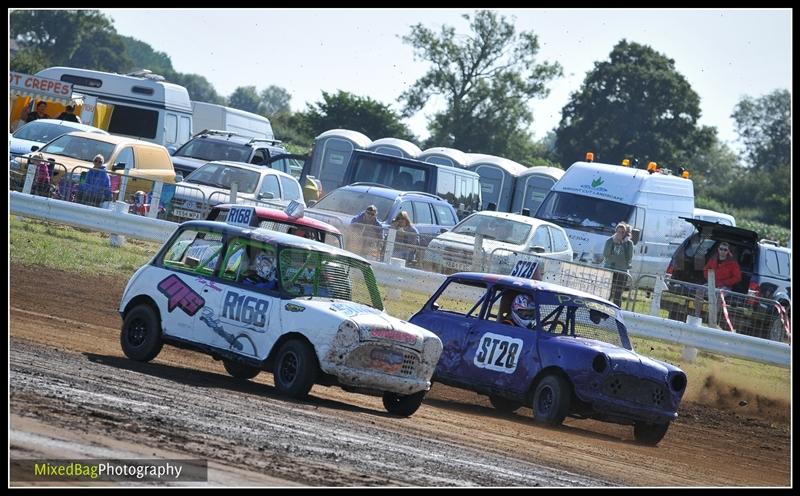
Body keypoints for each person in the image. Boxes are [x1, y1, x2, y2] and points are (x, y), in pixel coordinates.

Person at [602, 221, 634, 306]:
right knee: (607, 293)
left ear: (625, 233)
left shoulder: (629, 244)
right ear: (615, 231)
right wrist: (614, 244)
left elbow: (629, 257)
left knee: (617, 295)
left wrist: (622, 244)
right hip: (609, 269)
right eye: (618, 231)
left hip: (622, 271)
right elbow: (605, 254)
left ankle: (617, 313)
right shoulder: (609, 241)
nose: (620, 233)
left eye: (622, 232)